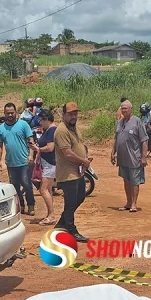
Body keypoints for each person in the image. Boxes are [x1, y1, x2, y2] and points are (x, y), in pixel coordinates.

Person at [54, 102, 91, 242]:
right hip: (67, 173)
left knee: (80, 197)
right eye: (70, 114)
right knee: (70, 203)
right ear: (63, 115)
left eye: (75, 114)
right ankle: (70, 229)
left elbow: (78, 145)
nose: (73, 116)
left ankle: (62, 223)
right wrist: (83, 160)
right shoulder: (62, 131)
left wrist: (84, 158)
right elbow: (67, 153)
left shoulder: (73, 128)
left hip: (77, 171)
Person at [0, 102, 38, 215]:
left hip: (24, 161)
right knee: (14, 186)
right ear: (4, 114)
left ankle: (31, 205)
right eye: (7, 113)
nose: (10, 115)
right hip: (11, 163)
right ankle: (21, 205)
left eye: (12, 113)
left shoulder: (23, 125)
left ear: (16, 113)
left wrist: (31, 156)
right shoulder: (1, 128)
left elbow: (31, 141)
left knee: (26, 184)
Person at [111, 100, 148, 212]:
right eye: (122, 108)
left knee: (134, 181)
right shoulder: (120, 122)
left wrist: (144, 157)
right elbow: (116, 139)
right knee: (126, 180)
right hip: (122, 159)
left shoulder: (137, 122)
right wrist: (113, 152)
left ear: (131, 109)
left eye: (126, 108)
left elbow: (144, 140)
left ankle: (133, 204)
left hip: (134, 158)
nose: (124, 110)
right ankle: (128, 202)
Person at [36, 108, 59, 225]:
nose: (40, 122)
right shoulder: (49, 130)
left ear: (46, 119)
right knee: (48, 190)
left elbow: (50, 147)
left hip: (50, 164)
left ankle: (51, 215)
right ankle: (51, 214)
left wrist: (38, 149)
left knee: (43, 189)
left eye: (41, 120)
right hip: (48, 164)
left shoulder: (51, 130)